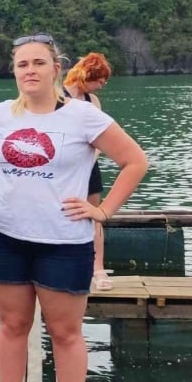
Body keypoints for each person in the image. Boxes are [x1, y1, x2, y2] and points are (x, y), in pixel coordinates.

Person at [0, 33, 148, 382]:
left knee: (65, 334)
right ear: (14, 71)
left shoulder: (83, 117)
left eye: (38, 63)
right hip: (6, 236)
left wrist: (102, 211)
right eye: (22, 64)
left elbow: (135, 161)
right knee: (12, 326)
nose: (29, 70)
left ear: (57, 69)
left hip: (64, 241)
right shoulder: (0, 115)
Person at [63, 52, 115, 291]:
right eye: (100, 81)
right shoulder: (57, 96)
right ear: (87, 76)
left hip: (89, 167)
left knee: (94, 217)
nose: (102, 86)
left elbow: (100, 138)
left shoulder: (92, 101)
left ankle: (98, 269)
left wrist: (90, 159)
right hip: (63, 170)